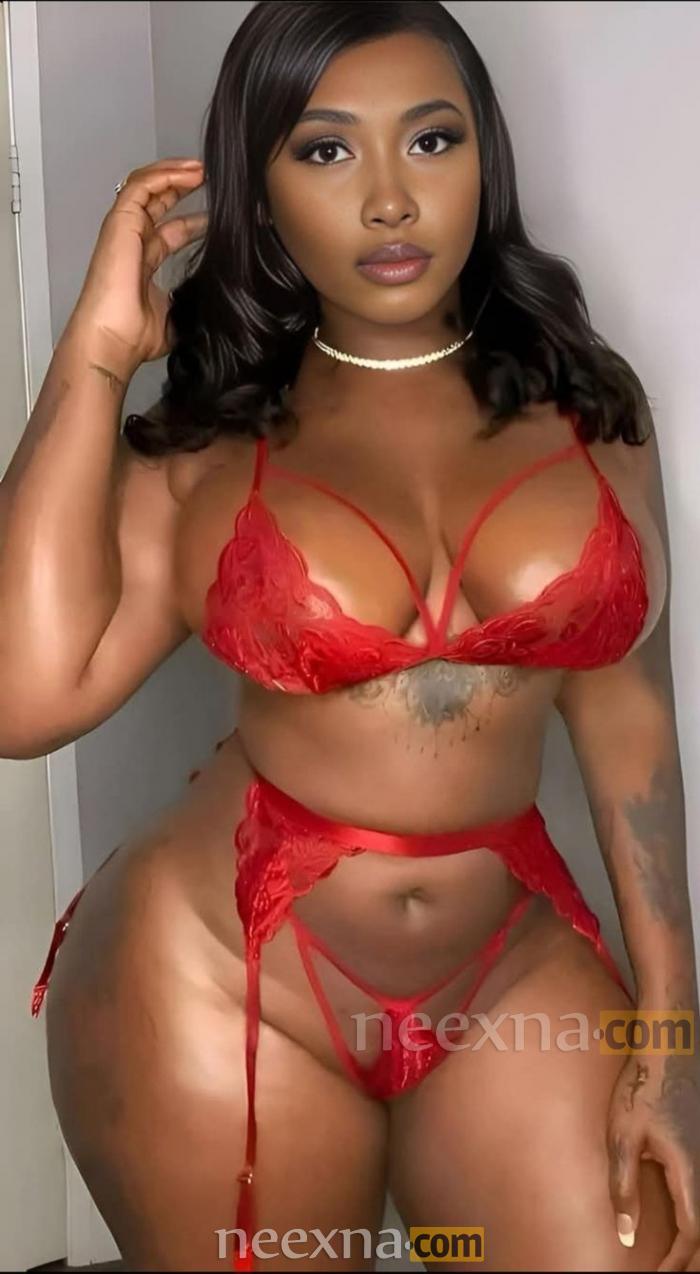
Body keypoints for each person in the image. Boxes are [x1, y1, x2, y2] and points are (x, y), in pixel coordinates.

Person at [2, 1, 697, 1269]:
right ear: (259, 193)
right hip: (220, 974)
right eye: (325, 151)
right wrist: (95, 355)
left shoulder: (590, 406)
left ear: (483, 158)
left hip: (500, 975)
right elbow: (21, 700)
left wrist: (672, 1032)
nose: (388, 199)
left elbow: (627, 714)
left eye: (430, 140)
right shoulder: (211, 440)